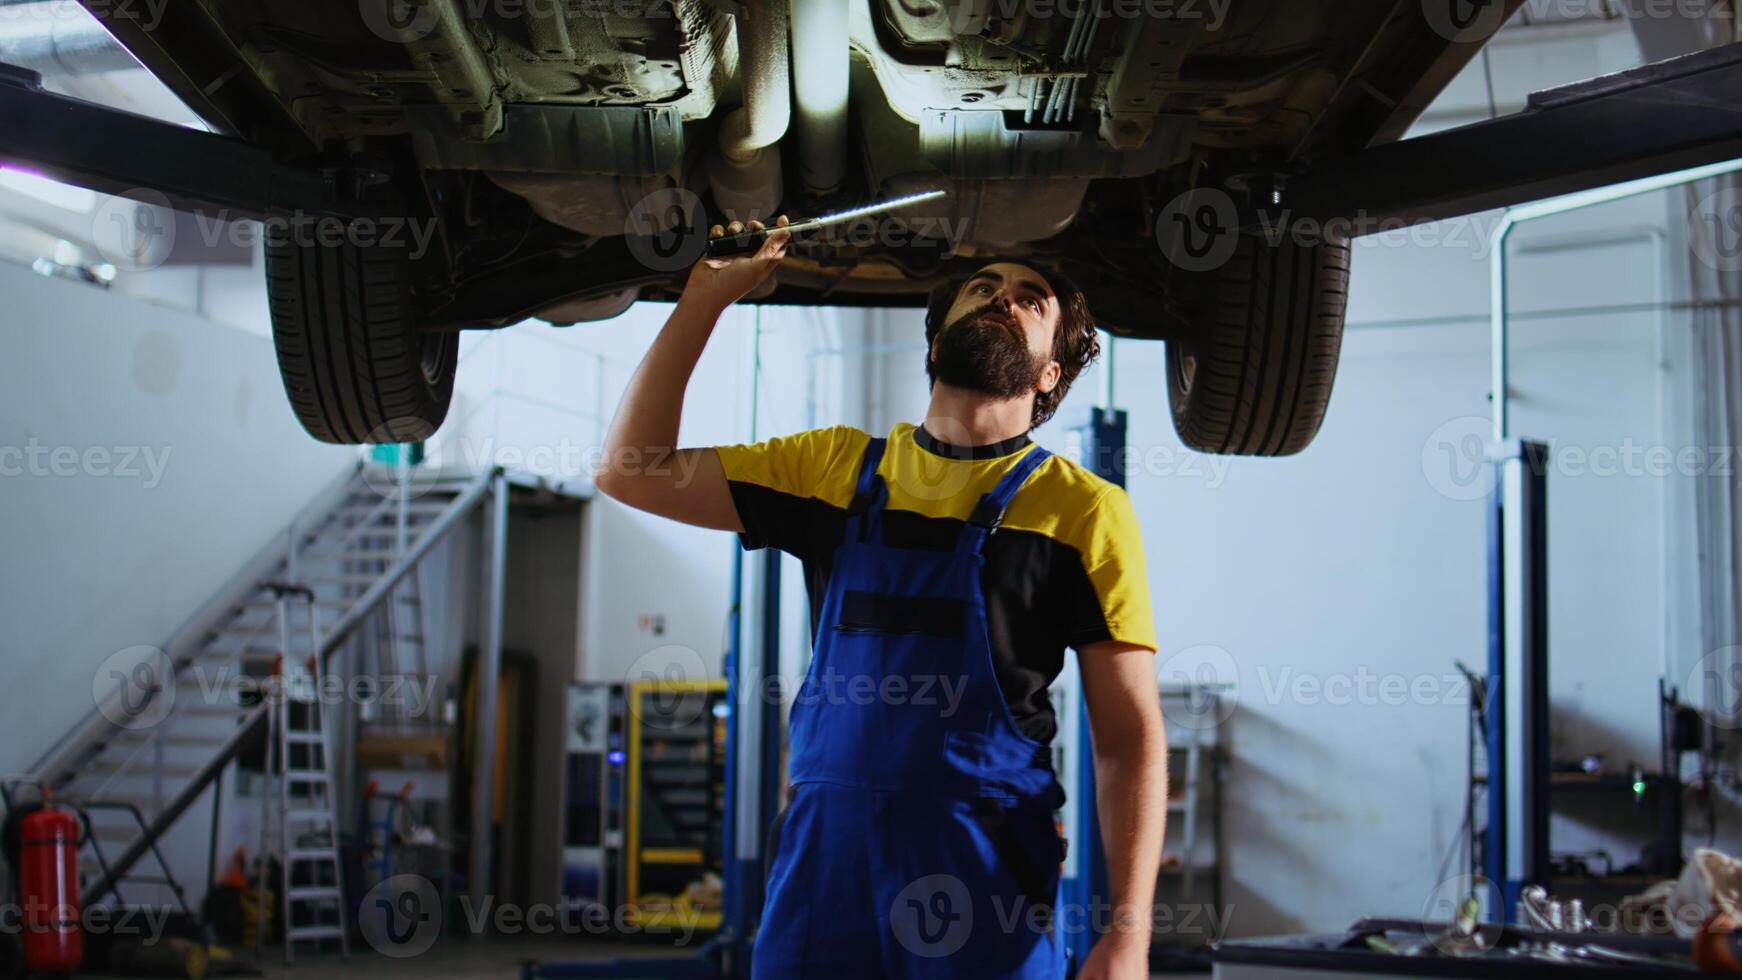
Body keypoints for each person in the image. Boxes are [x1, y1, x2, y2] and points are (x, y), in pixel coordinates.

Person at [596, 216, 1167, 980]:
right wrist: (704, 299)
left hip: (985, 874)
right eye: (983, 287)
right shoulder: (832, 468)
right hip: (824, 871)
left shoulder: (1083, 510)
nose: (1003, 297)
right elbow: (629, 470)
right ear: (935, 344)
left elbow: (1128, 736)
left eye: (1032, 300)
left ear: (1048, 376)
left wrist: (1127, 935)